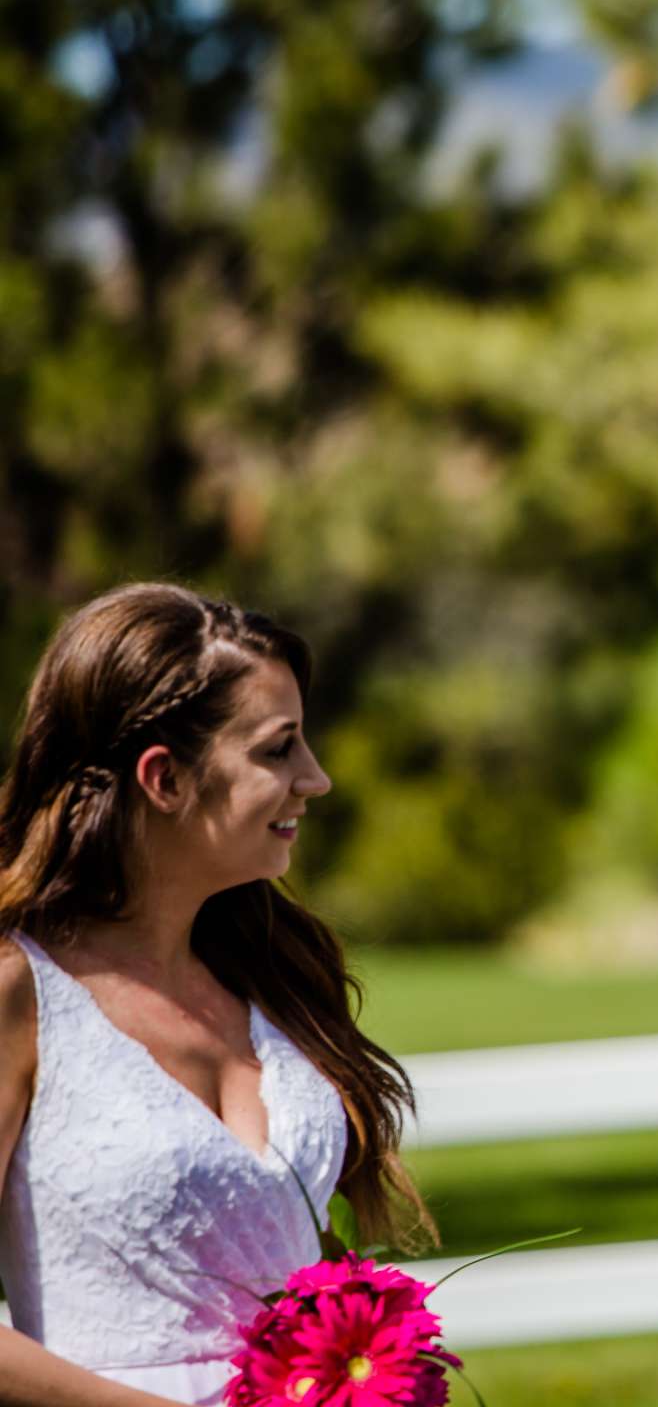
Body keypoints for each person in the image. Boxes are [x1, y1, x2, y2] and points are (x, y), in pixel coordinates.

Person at [0, 584, 423, 1405]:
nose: (317, 779)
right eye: (278, 750)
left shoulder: (274, 975)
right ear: (163, 778)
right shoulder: (19, 992)